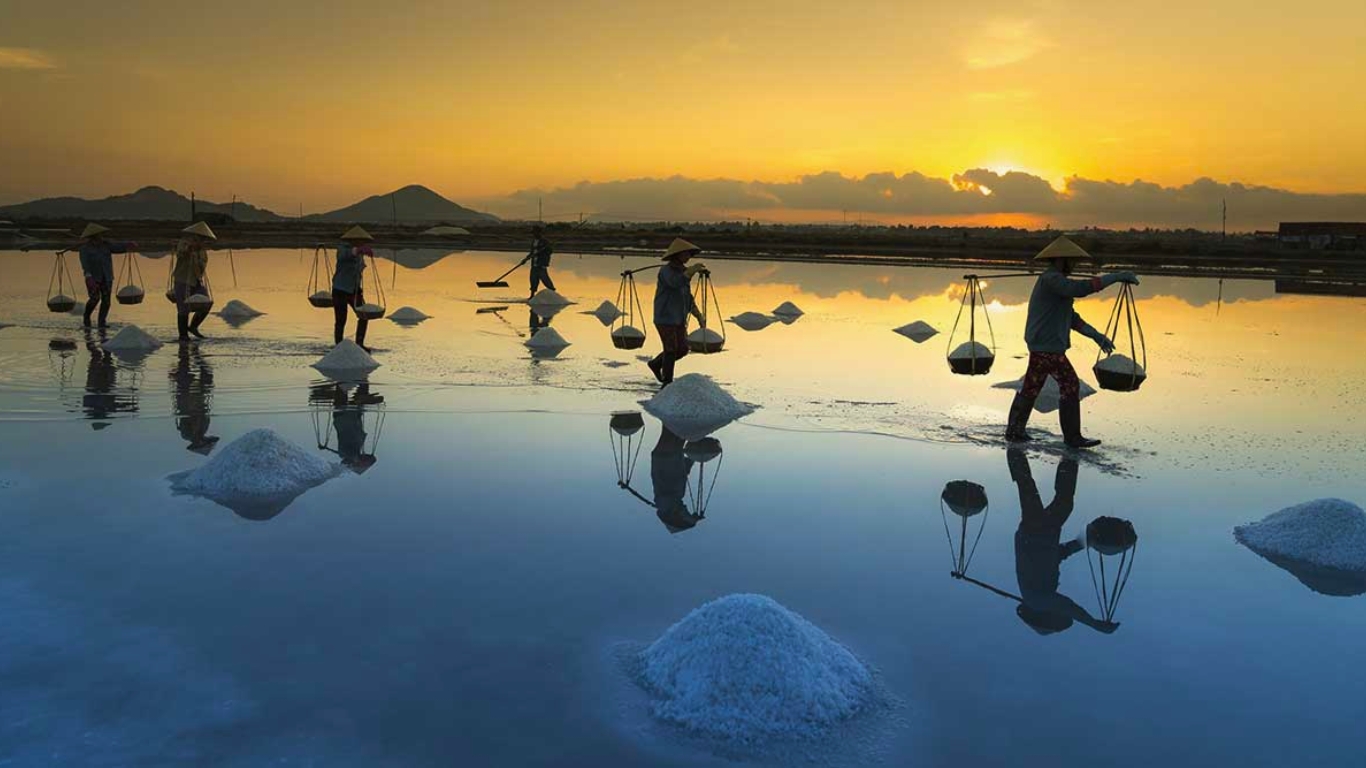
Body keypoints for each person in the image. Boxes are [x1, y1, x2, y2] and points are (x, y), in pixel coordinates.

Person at [1005, 236, 1139, 448]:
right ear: (1061, 260)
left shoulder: (1057, 282)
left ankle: (1014, 431)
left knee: (1032, 386)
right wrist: (1115, 277)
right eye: (1072, 261)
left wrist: (1096, 335)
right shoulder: (1052, 280)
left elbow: (1071, 318)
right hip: (1046, 346)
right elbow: (1079, 289)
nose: (1074, 265)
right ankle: (1072, 437)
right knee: (1070, 385)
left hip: (1045, 345)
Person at [1009, 448, 1117, 635]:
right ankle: (1064, 459)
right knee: (1035, 489)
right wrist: (1085, 541)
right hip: (1038, 535)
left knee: (1034, 489)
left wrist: (1093, 624)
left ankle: (1017, 451)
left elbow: (1069, 607)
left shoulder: (1037, 601)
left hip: (1036, 534)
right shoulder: (1039, 589)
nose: (1058, 613)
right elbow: (1058, 554)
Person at [647, 238, 707, 386]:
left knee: (682, 349)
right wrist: (691, 272)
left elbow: (687, 297)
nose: (688, 257)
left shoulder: (684, 272)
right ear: (677, 255)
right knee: (670, 349)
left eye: (689, 254)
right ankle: (667, 382)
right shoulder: (666, 271)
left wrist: (698, 315)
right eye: (685, 254)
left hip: (679, 318)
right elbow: (675, 283)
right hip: (665, 317)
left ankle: (655, 364)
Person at [76, 223, 135, 329]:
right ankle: (86, 316)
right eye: (99, 235)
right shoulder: (85, 249)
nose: (101, 236)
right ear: (94, 236)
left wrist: (128, 244)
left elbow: (118, 247)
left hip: (107, 277)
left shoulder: (106, 245)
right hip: (93, 278)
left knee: (106, 301)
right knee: (95, 298)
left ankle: (101, 322)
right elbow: (85, 264)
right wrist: (88, 277)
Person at [333, 225, 375, 350]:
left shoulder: (359, 253)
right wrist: (357, 251)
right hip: (340, 289)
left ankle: (359, 344)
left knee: (364, 315)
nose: (361, 242)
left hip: (355, 290)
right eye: (359, 240)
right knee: (341, 320)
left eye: (362, 241)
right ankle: (338, 346)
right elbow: (344, 256)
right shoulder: (343, 249)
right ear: (352, 239)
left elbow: (359, 269)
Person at [172, 222, 215, 341]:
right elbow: (180, 255)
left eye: (203, 240)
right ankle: (183, 335)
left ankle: (193, 327)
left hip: (195, 281)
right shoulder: (183, 243)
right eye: (201, 239)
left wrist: (196, 257)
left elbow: (202, 266)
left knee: (206, 303)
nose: (202, 241)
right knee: (183, 308)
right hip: (182, 279)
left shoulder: (202, 251)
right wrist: (189, 250)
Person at [524, 225, 555, 299]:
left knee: (545, 279)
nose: (533, 234)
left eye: (535, 233)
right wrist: (525, 259)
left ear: (539, 233)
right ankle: (532, 296)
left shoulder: (545, 242)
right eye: (533, 233)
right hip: (534, 264)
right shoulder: (534, 241)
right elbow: (532, 252)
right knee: (533, 280)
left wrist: (544, 250)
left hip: (541, 264)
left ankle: (553, 294)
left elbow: (550, 251)